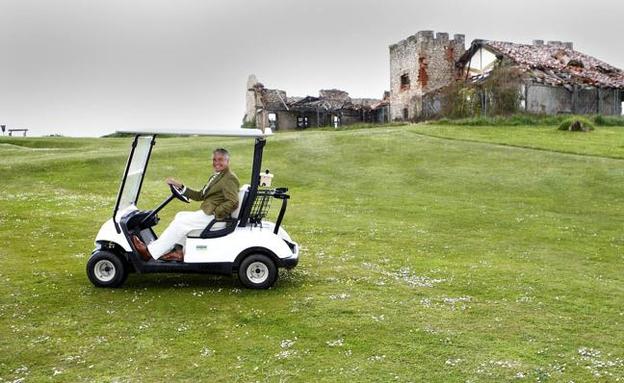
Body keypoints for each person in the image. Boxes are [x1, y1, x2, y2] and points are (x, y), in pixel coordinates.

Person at [132, 148, 240, 262]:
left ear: (228, 161)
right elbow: (200, 195)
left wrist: (216, 212)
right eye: (214, 159)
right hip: (210, 214)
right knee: (180, 215)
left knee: (180, 223)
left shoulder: (229, 178)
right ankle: (178, 251)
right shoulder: (218, 176)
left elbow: (233, 202)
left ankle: (149, 252)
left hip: (216, 218)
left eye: (220, 160)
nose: (216, 163)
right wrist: (179, 185)